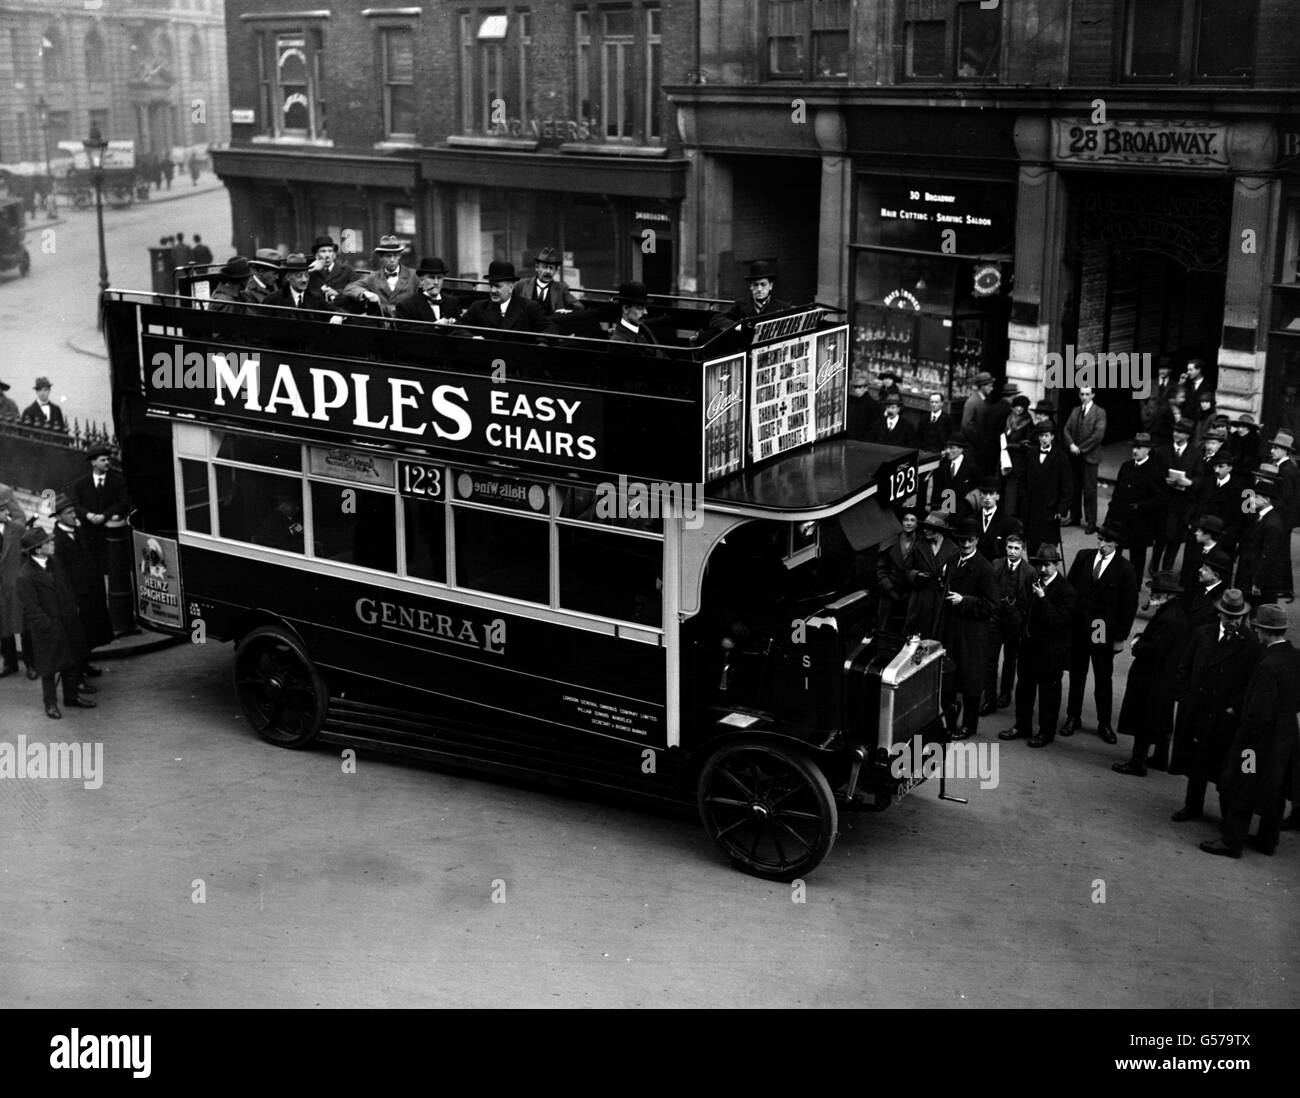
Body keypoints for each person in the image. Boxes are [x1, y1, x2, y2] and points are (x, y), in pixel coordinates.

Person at [1200, 604, 1300, 858]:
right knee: (1274, 788)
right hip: (1286, 735)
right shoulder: (1295, 657)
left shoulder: (1267, 664)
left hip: (1256, 741)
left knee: (1241, 784)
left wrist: (1243, 739)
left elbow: (1259, 711)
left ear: (1264, 631)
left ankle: (1232, 841)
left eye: (1257, 628)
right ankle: (1268, 841)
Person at [1170, 588, 1257, 821]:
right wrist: (1185, 697)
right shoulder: (1203, 634)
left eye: (1237, 618)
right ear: (1220, 614)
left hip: (1224, 715)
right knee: (1196, 763)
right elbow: (1184, 667)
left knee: (1222, 767)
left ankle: (1226, 817)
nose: (1232, 622)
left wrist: (1234, 707)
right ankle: (1192, 806)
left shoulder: (1249, 642)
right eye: (1228, 617)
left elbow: (1250, 682)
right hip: (1198, 708)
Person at [1061, 524, 1138, 745]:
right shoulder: (1084, 557)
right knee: (1077, 674)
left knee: (1103, 677)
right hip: (1079, 627)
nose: (1102, 545)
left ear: (1117, 545)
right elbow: (1070, 588)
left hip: (1101, 629)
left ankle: (1104, 723)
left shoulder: (1124, 568)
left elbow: (1129, 605)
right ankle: (1072, 716)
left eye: (1108, 543)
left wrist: (1120, 637)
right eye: (1100, 540)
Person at [1113, 571, 1191, 776]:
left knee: (1144, 720)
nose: (1153, 595)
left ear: (1170, 594)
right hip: (1164, 676)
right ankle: (1160, 758)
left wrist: (1138, 645)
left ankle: (1138, 763)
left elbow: (1155, 649)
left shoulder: (1168, 618)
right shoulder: (1174, 613)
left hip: (1152, 676)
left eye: (1158, 592)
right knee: (1160, 718)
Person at [15, 526, 94, 720]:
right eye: (47, 543)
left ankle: (71, 696)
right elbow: (31, 609)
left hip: (66, 621)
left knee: (70, 659)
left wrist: (71, 610)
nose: (52, 544)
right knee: (48, 667)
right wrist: (49, 626)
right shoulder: (25, 576)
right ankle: (50, 704)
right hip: (47, 629)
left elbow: (66, 587)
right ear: (37, 549)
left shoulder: (54, 562)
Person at [1002, 543, 1075, 746]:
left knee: (1048, 695)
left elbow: (1058, 621)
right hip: (1029, 648)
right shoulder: (1034, 582)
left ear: (1056, 566)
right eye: (1040, 565)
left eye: (1047, 566)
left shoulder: (1066, 590)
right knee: (1024, 690)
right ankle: (1022, 726)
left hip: (1051, 653)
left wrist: (1043, 599)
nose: (1042, 570)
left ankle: (1046, 732)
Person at [937, 516, 999, 740]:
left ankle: (969, 726)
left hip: (972, 635)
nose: (965, 545)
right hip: (953, 630)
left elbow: (992, 604)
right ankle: (950, 723)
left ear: (977, 540)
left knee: (971, 684)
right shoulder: (953, 559)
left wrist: (964, 601)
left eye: (970, 541)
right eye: (962, 540)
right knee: (950, 680)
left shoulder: (984, 568)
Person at [52, 493, 112, 670]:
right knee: (77, 634)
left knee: (89, 631)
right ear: (58, 517)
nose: (73, 515)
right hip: (76, 594)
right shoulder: (57, 541)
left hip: (89, 590)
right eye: (68, 513)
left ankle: (85, 664)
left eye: (73, 511)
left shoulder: (79, 531)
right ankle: (78, 672)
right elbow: (60, 574)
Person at [984, 529, 1035, 715]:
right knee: (990, 658)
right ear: (1005, 547)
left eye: (1016, 548)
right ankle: (988, 698)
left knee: (1010, 660)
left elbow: (1030, 602)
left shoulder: (1030, 572)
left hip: (1015, 620)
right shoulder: (996, 565)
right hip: (996, 618)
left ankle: (1005, 694)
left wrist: (1024, 623)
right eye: (1010, 547)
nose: (1012, 551)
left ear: (1023, 550)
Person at [66, 443, 131, 579]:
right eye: (103, 460)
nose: (107, 462)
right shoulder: (81, 484)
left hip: (110, 534)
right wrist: (87, 514)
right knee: (92, 570)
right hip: (89, 534)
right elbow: (76, 504)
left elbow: (123, 503)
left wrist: (105, 515)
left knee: (112, 569)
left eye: (108, 459)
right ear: (93, 462)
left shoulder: (118, 482)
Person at [1106, 432, 1165, 582]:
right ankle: (1113, 582)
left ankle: (1134, 585)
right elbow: (1116, 494)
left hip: (1140, 522)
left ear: (1148, 450)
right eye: (1134, 447)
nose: (1134, 451)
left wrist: (1140, 506)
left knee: (1137, 558)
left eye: (1139, 448)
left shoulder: (1155, 471)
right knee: (1114, 554)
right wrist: (1109, 518)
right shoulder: (1126, 466)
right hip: (1119, 520)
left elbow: (1160, 499)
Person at [1153, 418, 1200, 573]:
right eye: (1175, 431)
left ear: (1188, 435)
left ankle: (1167, 568)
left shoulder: (1195, 454)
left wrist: (1190, 483)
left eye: (1180, 432)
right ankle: (1154, 565)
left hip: (1183, 503)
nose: (1176, 434)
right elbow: (1153, 474)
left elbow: (1201, 478)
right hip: (1165, 501)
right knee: (1160, 537)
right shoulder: (1161, 451)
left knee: (1176, 538)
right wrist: (1163, 480)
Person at [1234, 480, 1289, 607]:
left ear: (1266, 500)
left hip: (1262, 581)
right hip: (1251, 574)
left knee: (1258, 612)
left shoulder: (1272, 524)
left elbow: (1268, 556)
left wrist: (1257, 583)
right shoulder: (1261, 517)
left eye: (1256, 497)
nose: (1251, 499)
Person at [903, 511, 957, 637]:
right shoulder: (918, 546)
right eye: (925, 527)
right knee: (915, 637)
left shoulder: (953, 550)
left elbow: (955, 578)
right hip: (920, 600)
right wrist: (916, 575)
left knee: (936, 636)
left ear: (938, 530)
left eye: (929, 528)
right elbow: (906, 570)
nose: (925, 530)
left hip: (940, 601)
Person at [460, 260, 553, 332]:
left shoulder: (530, 307)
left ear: (511, 287)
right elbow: (457, 328)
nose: (493, 290)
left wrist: (540, 344)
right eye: (491, 286)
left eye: (497, 286)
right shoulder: (478, 307)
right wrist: (473, 338)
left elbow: (550, 330)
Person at [1022, 420, 1071, 555]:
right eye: (1041, 436)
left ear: (1052, 437)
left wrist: (1061, 510)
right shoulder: (1031, 454)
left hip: (1050, 509)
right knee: (1032, 547)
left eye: (1047, 435)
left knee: (1047, 550)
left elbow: (1066, 486)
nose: (1044, 439)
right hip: (1032, 509)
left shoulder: (1061, 457)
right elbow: (1023, 480)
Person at [0, 486, 34, 678]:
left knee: (23, 622)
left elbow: (19, 517)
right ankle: (10, 663)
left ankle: (31, 664)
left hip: (14, 581)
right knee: (3, 624)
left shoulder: (3, 491)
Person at [1063, 385, 1106, 531]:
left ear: (1093, 395)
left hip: (1090, 456)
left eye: (1087, 394)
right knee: (1074, 488)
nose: (1084, 397)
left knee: (1089, 490)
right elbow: (1066, 429)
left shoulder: (1099, 412)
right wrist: (1071, 444)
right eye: (1082, 394)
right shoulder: (1076, 410)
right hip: (1074, 456)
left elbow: (1098, 435)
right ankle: (1075, 517)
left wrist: (1080, 448)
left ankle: (1091, 521)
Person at [344, 236, 416, 317]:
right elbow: (349, 288)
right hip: (382, 323)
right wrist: (365, 293)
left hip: (408, 323)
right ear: (381, 257)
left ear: (399, 256)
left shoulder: (413, 275)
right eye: (388, 256)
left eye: (395, 255)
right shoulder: (373, 277)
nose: (392, 260)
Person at [709, 259, 792, 330]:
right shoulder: (741, 305)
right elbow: (716, 319)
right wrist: (738, 326)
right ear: (751, 287)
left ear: (770, 286)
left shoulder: (783, 308)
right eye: (755, 285)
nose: (759, 289)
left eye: (763, 285)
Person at [875, 506, 919, 633]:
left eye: (912, 520)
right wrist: (890, 589)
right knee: (885, 629)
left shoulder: (921, 545)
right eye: (906, 520)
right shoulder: (890, 542)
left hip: (910, 595)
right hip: (889, 593)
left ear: (917, 524)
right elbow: (881, 571)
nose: (909, 523)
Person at [513, 246, 583, 317]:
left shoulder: (561, 288)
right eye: (544, 267)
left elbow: (579, 306)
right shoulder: (521, 285)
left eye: (551, 268)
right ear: (537, 268)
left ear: (555, 271)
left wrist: (567, 311)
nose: (548, 271)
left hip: (551, 326)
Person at [393, 257, 461, 324]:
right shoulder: (407, 306)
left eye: (439, 278)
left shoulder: (452, 302)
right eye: (432, 277)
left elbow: (460, 329)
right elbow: (406, 331)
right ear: (421, 280)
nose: (436, 282)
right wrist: (435, 327)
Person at [1000, 394, 1033, 520]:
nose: (1018, 409)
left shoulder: (1027, 421)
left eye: (1022, 407)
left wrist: (1014, 445)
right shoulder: (1009, 419)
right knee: (1005, 485)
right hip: (1005, 457)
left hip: (1018, 459)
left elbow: (1028, 442)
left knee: (1012, 487)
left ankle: (1010, 515)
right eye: (1016, 406)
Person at [930, 437, 980, 519]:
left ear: (961, 449)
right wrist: (936, 510)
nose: (948, 451)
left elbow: (975, 490)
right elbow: (937, 490)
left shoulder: (971, 466)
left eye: (952, 448)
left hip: (962, 513)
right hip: (942, 510)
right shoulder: (942, 465)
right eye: (947, 448)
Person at [1185, 548, 1233, 631]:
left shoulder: (1222, 599)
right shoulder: (1199, 586)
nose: (1200, 570)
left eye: (1205, 569)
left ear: (1215, 575)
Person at [306, 235, 355, 307]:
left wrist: (338, 292)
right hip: (316, 312)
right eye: (323, 251)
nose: (327, 255)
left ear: (334, 255)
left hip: (341, 311)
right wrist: (310, 269)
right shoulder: (310, 272)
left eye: (330, 251)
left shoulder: (347, 270)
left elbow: (355, 290)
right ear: (316, 255)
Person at [973, 478, 1015, 561]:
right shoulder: (973, 520)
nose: (987, 497)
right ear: (980, 495)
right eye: (985, 493)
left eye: (991, 493)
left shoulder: (1008, 522)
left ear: (997, 496)